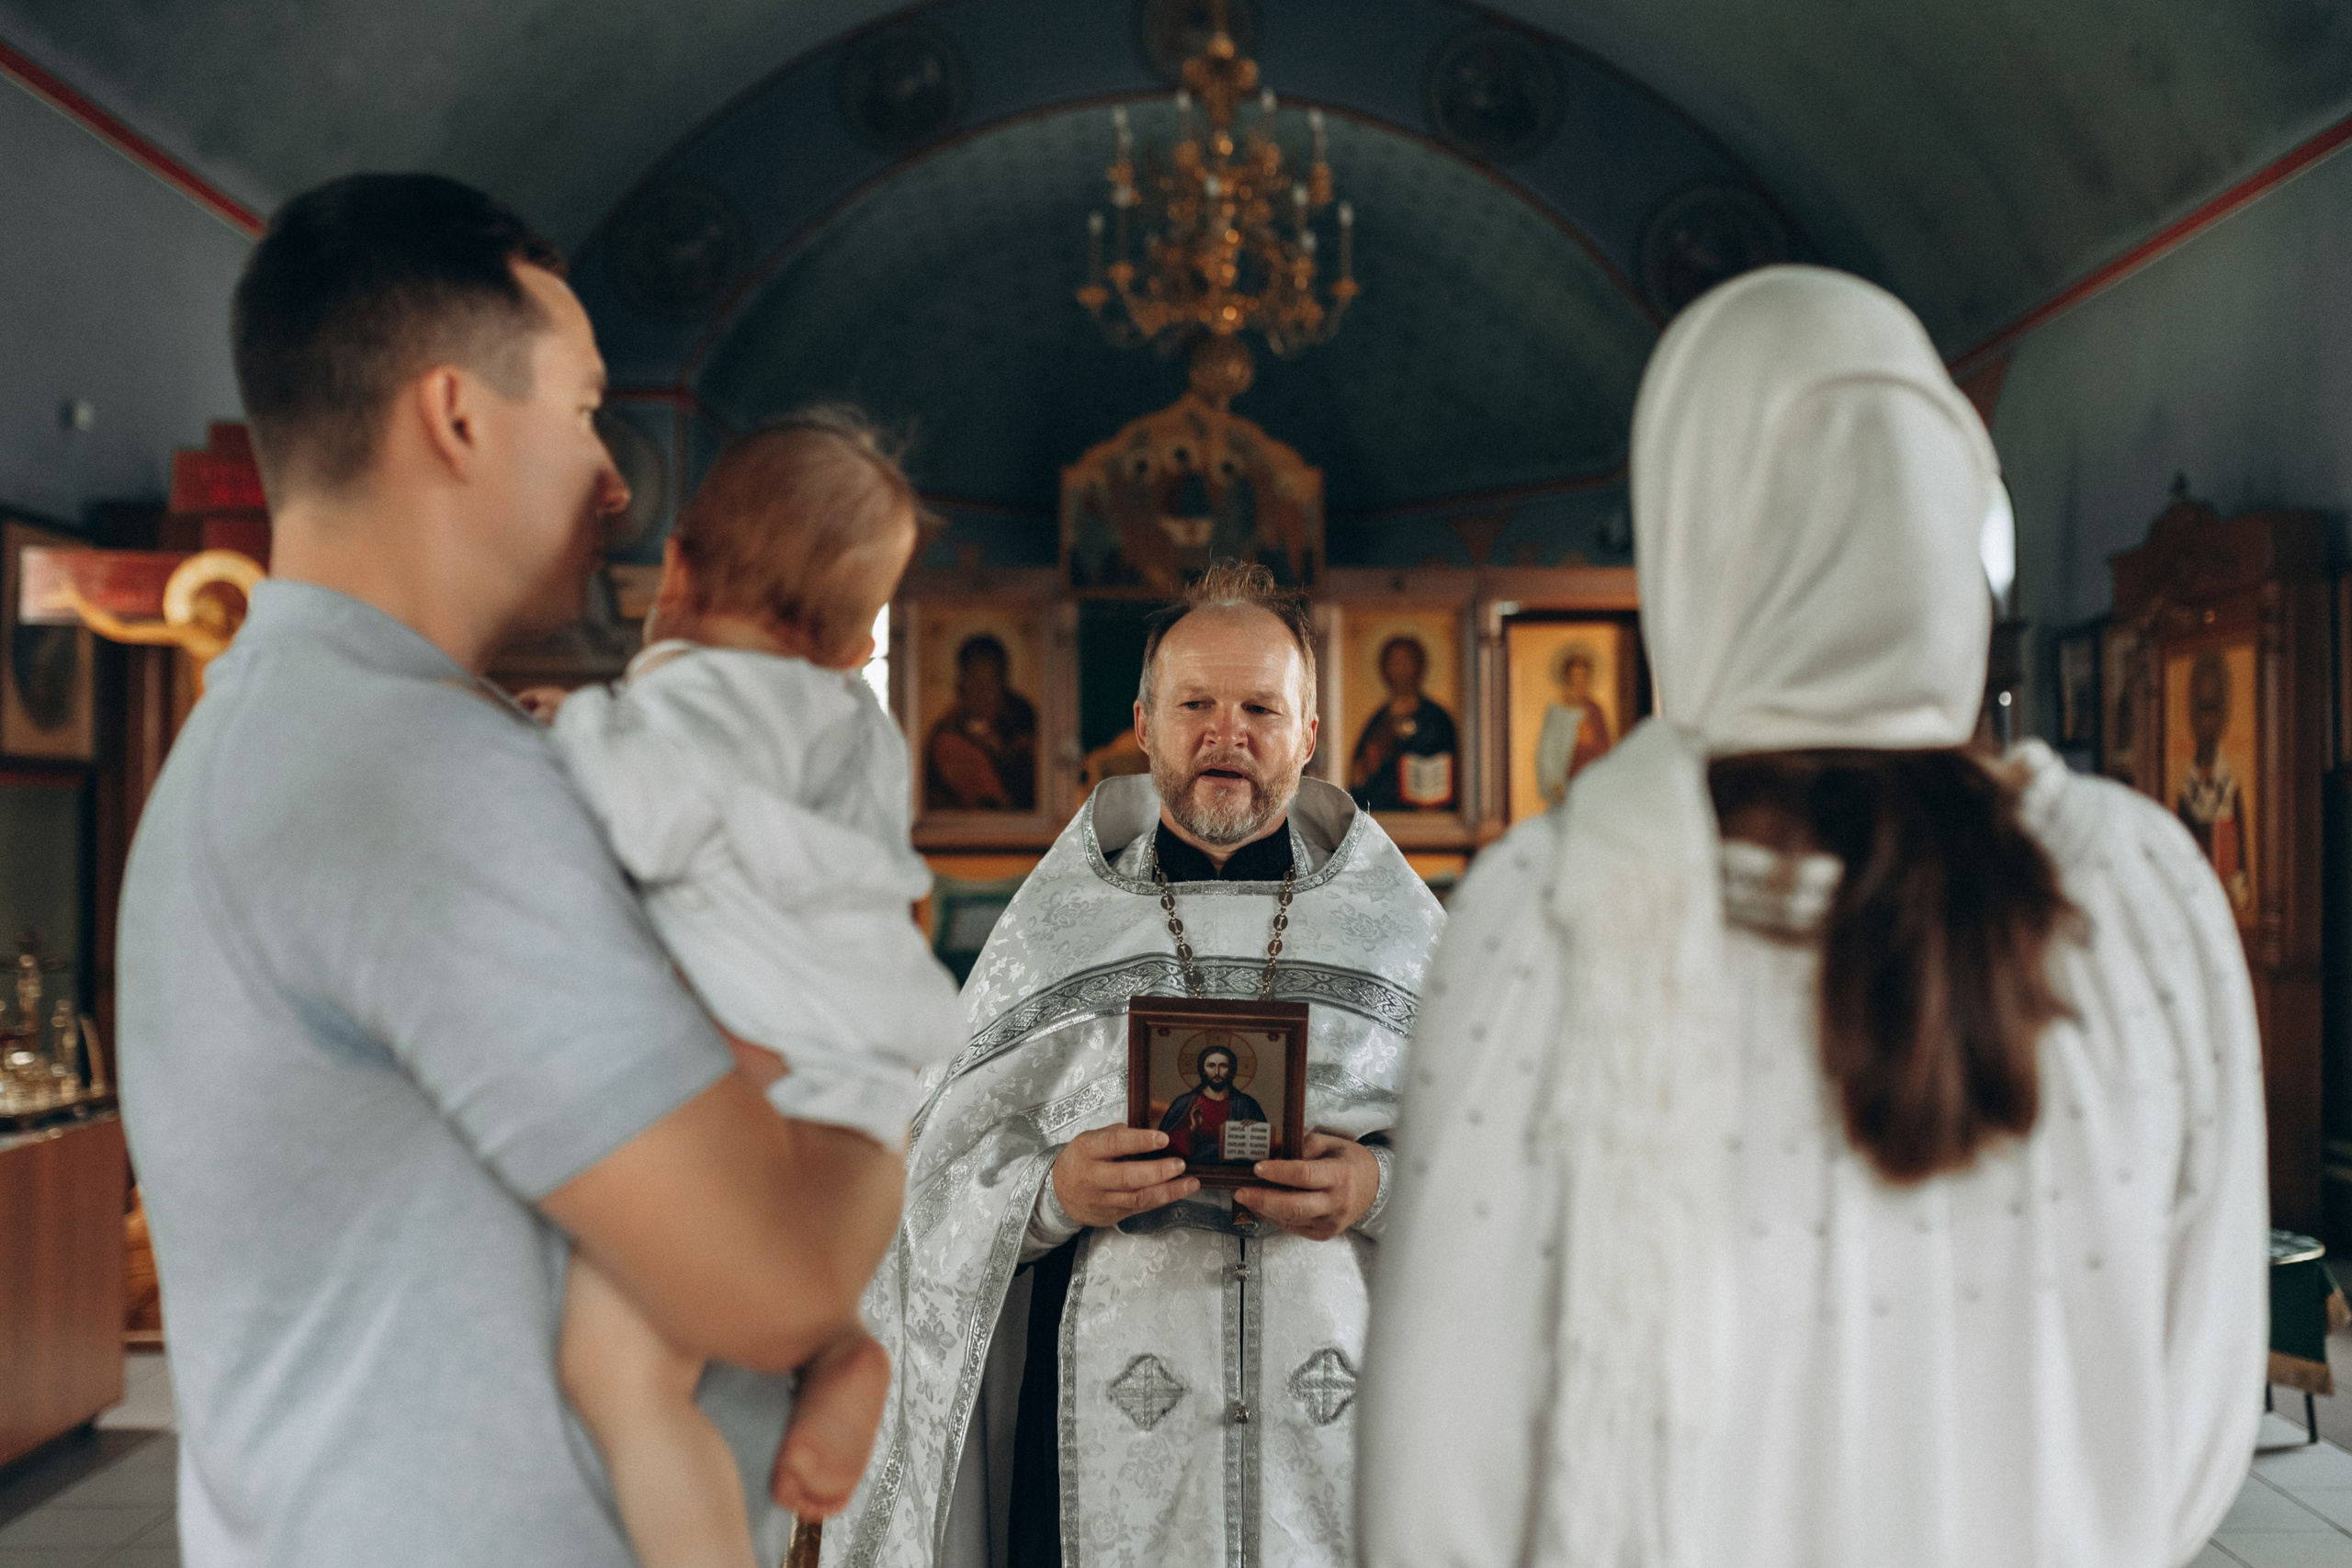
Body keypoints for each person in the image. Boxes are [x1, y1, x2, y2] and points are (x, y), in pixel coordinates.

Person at [1358, 266, 2266, 1568]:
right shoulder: (2144, 888)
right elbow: (2190, 1421)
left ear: (1689, 529)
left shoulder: (1542, 914)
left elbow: (1438, 1476)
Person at [115, 174, 905, 1568]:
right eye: (588, 408)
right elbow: (772, 1274)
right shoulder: (412, 774)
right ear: (458, 416)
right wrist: (895, 1061)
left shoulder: (318, 726)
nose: (615, 480)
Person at [830, 561, 1445, 1568]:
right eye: (1194, 704)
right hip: (1099, 1420)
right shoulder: (1051, 935)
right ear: (1145, 724)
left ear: (1308, 734)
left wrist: (1376, 1186)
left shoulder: (1397, 935)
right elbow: (927, 1192)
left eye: (1259, 707)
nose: (1226, 734)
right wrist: (1051, 1192)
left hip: (1343, 1415)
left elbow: (1512, 1175)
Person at [542, 412, 968, 1567]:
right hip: (862, 1091)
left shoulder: (680, 703)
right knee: (747, 1298)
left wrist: (571, 731)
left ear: (675, 568)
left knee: (622, 1381)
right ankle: (835, 1344)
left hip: (743, 1080)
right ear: (851, 639)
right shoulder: (859, 727)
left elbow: (645, 816)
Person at [2177, 648, 2253, 917]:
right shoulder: (2186, 790)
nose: (2207, 719)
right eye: (2202, 708)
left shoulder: (2231, 786)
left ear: (2225, 711)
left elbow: (2241, 861)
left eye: (2214, 708)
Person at [925, 633, 1039, 811]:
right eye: (975, 683)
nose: (982, 696)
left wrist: (1002, 751)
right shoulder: (947, 731)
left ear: (1002, 684)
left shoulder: (1022, 721)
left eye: (989, 684)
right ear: (962, 683)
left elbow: (1031, 784)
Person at [1347, 635, 1458, 811]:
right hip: (1384, 814)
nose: (1400, 670)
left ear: (1419, 667)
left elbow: (1453, 765)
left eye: (1406, 662)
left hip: (1431, 815)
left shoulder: (1437, 717)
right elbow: (1360, 776)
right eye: (1394, 663)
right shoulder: (1379, 719)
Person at [1155, 1041, 1269, 1163]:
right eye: (1211, 1066)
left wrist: (1255, 1129)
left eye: (1223, 1066)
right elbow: (1163, 1145)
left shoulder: (1247, 1105)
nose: (1217, 1072)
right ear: (1203, 1070)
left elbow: (1263, 1150)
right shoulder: (1184, 1103)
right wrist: (1192, 1128)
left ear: (1231, 1071)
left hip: (1233, 1175)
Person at [1532, 644, 1611, 807]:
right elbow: (1546, 752)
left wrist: (1589, 743)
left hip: (1591, 784)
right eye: (1575, 676)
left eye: (1583, 676)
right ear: (1567, 678)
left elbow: (1606, 749)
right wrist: (1554, 782)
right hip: (1563, 785)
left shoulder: (1595, 711)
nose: (1579, 682)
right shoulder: (1556, 712)